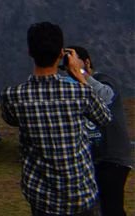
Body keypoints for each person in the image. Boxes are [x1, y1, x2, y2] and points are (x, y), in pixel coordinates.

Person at [1, 23, 112, 216]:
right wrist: (80, 75)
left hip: (43, 198)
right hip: (81, 194)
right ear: (62, 54)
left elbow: (11, 119)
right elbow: (104, 118)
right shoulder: (80, 92)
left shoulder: (13, 96)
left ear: (30, 52)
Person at [68, 46, 129, 216]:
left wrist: (81, 75)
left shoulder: (103, 79)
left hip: (112, 156)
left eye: (75, 61)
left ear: (87, 62)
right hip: (92, 158)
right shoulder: (77, 90)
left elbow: (106, 96)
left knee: (111, 207)